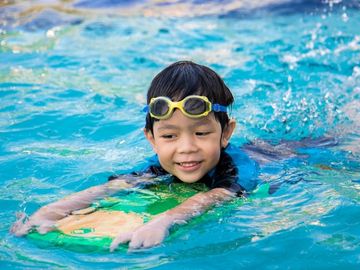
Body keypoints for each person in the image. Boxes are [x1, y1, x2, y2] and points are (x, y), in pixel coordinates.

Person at [10, 61, 258, 251]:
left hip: (281, 156)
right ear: (151, 139)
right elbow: (113, 187)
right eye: (169, 136)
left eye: (201, 132)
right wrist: (51, 211)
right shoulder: (159, 167)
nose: (186, 147)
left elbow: (216, 196)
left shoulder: (236, 167)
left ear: (226, 133)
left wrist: (164, 221)